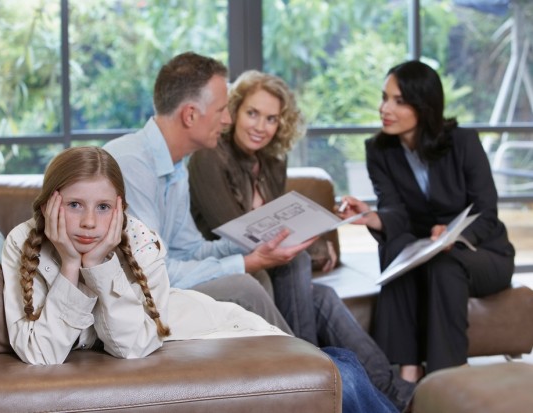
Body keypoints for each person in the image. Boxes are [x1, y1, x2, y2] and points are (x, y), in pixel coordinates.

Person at [1, 146, 400, 413]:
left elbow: (132, 344)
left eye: (103, 207)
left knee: (338, 376)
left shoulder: (138, 238)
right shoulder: (22, 244)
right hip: (180, 343)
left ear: (119, 209)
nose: (89, 221)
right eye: (74, 205)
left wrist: (101, 261)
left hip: (207, 330)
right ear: (50, 203)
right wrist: (71, 264)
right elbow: (42, 354)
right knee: (342, 371)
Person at [186, 69, 415, 412]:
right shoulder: (209, 156)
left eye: (271, 118)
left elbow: (279, 224)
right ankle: (308, 380)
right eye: (252, 113)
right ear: (233, 111)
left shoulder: (272, 162)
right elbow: (232, 230)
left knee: (321, 294)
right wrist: (309, 244)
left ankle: (391, 392)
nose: (260, 126)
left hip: (269, 266)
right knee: (300, 263)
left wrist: (315, 236)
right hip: (230, 268)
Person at [103, 51, 315, 339]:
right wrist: (245, 263)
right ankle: (307, 372)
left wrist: (249, 245)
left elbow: (190, 250)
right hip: (133, 298)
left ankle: (295, 373)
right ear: (190, 115)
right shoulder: (132, 165)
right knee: (245, 286)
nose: (228, 120)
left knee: (254, 278)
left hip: (161, 285)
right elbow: (153, 272)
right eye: (221, 110)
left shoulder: (176, 167)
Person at [339, 60, 515, 383]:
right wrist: (369, 216)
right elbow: (395, 211)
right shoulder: (379, 150)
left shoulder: (463, 142)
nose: (384, 109)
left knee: (444, 266)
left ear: (424, 105)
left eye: (398, 101)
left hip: (483, 253)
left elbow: (487, 212)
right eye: (384, 97)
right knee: (396, 246)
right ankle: (407, 372)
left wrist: (452, 234)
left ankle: (445, 378)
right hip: (427, 251)